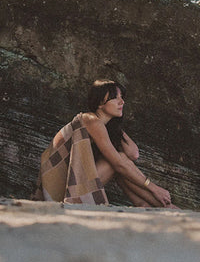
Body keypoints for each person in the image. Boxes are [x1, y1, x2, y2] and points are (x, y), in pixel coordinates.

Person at [33, 79, 173, 207]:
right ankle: (162, 206)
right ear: (100, 103)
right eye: (115, 98)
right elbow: (119, 163)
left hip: (72, 184)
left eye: (121, 97)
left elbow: (133, 153)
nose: (122, 102)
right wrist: (154, 188)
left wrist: (116, 127)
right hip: (58, 189)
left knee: (119, 162)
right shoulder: (90, 120)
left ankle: (147, 204)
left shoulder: (102, 125)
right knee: (116, 162)